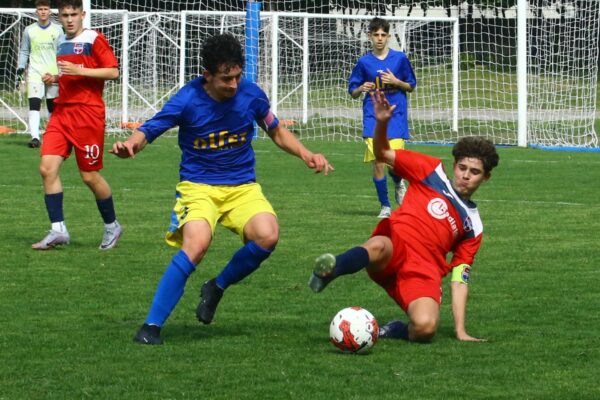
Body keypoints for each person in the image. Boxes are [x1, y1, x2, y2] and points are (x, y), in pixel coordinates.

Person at [111, 33, 334, 345]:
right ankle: (151, 327)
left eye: (237, 76)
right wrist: (131, 145)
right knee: (197, 245)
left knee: (268, 235)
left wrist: (306, 154)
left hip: (242, 187)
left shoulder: (251, 95)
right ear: (207, 75)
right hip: (198, 188)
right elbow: (151, 128)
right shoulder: (187, 99)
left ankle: (216, 286)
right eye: (226, 78)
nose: (233, 84)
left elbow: (276, 130)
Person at [309, 90, 499, 343]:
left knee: (426, 327)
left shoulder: (473, 225)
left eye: (474, 172)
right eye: (462, 167)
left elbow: (460, 279)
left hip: (424, 271)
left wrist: (461, 331)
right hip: (396, 244)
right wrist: (382, 122)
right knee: (378, 244)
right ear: (454, 165)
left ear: (485, 177)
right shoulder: (431, 171)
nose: (465, 175)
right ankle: (330, 271)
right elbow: (383, 154)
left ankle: (395, 330)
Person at [31, 0, 122, 251]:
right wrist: (58, 78)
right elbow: (73, 74)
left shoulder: (94, 39)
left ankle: (112, 226)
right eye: (64, 15)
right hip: (62, 112)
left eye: (73, 14)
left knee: (89, 176)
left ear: (83, 14)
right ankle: (58, 230)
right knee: (47, 168)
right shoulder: (61, 41)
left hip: (87, 114)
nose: (69, 19)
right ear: (58, 17)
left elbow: (113, 72)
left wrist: (79, 70)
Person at [348, 17, 417, 219]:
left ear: (388, 37)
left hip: (396, 116)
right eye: (375, 35)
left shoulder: (400, 59)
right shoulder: (364, 62)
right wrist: (361, 88)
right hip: (373, 117)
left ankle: (397, 181)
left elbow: (411, 86)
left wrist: (396, 81)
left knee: (394, 162)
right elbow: (352, 91)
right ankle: (385, 207)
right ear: (370, 36)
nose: (379, 38)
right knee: (379, 161)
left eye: (383, 35)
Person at [16, 0, 63, 148]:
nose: (43, 11)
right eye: (40, 9)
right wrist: (21, 67)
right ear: (36, 11)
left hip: (53, 73)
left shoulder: (58, 30)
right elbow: (24, 51)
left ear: (50, 11)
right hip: (35, 73)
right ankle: (35, 137)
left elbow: (61, 52)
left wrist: (61, 72)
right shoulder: (29, 30)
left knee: (52, 106)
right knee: (34, 104)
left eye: (45, 9)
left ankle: (51, 135)